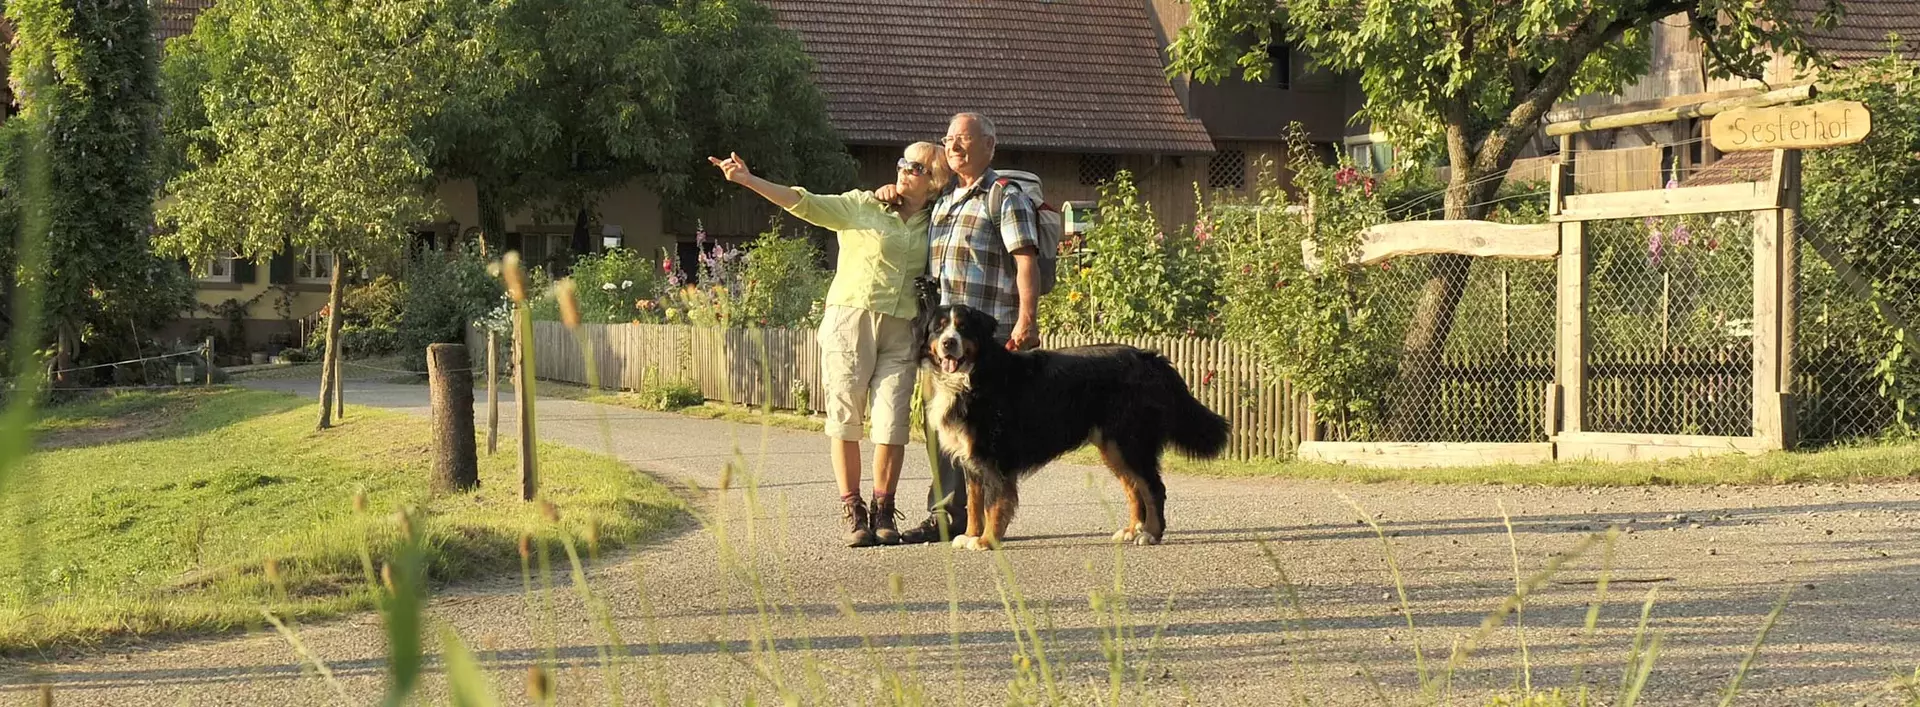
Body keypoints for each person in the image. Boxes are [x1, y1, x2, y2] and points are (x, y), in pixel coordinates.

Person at [709, 142, 951, 547]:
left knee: (891, 423)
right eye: (901, 163)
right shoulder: (863, 205)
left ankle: (884, 509)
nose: (903, 170)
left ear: (934, 181)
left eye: (915, 166)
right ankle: (855, 511)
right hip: (850, 322)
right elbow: (805, 203)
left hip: (903, 327)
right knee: (845, 419)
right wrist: (749, 180)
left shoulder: (936, 219)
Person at [894, 112, 1044, 545]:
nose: (955, 146)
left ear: (989, 146)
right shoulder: (943, 200)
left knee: (984, 436)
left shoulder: (1003, 196)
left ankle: (984, 520)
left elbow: (1025, 260)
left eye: (964, 139)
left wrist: (1027, 319)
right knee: (944, 429)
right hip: (944, 341)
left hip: (986, 340)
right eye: (949, 140)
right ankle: (948, 517)